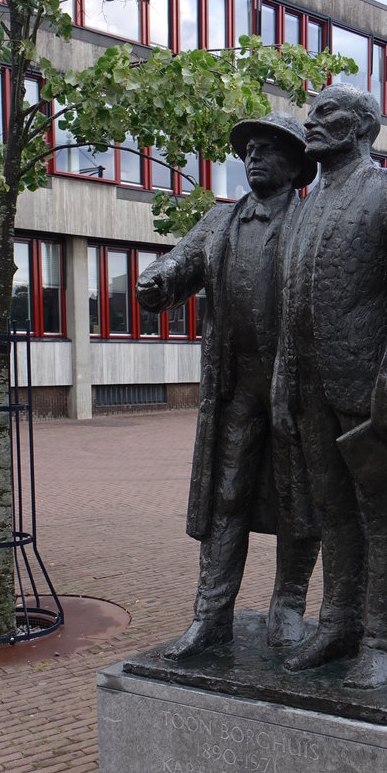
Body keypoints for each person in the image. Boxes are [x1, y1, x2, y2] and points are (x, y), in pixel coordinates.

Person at [274, 84, 387, 689]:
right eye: (311, 114)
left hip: (371, 388)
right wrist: (283, 389)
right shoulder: (305, 203)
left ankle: (385, 640)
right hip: (311, 390)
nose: (311, 123)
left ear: (362, 127)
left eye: (327, 114)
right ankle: (340, 622)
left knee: (385, 513)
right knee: (332, 512)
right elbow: (291, 307)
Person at [136, 111, 320, 661]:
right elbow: (180, 264)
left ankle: (287, 609)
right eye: (249, 150)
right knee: (226, 495)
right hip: (235, 387)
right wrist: (157, 280)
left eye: (267, 148)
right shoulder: (220, 222)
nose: (253, 157)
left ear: (295, 165)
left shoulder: (313, 223)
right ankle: (210, 617)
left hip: (294, 389)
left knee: (298, 498)